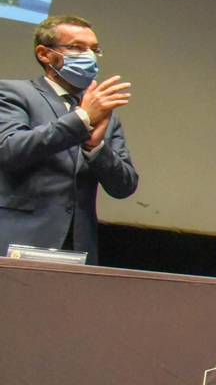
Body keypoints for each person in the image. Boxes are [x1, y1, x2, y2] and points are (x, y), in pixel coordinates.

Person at [0, 15, 137, 263]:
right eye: (76, 47)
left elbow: (124, 186)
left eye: (94, 49)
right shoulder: (12, 93)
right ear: (44, 54)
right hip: (17, 240)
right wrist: (82, 119)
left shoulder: (105, 114)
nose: (89, 56)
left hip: (77, 247)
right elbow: (9, 150)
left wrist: (95, 147)